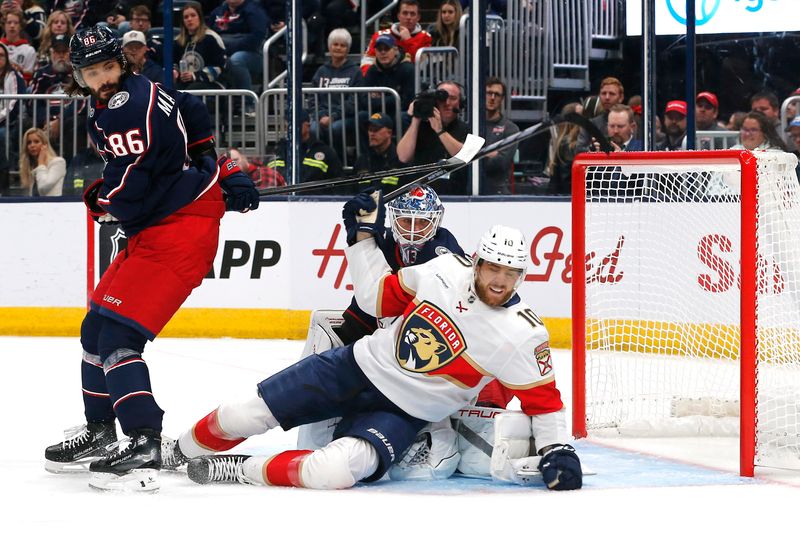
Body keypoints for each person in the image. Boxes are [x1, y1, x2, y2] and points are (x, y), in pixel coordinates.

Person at [164, 216, 581, 491]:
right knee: (243, 412)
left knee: (332, 471)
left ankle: (239, 469)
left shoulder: (522, 333)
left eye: (511, 273)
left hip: (404, 412)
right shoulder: (443, 269)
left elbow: (544, 404)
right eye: (493, 268)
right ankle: (175, 452)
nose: (500, 281)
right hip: (354, 367)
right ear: (477, 262)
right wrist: (362, 236)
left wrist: (558, 450)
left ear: (522, 275)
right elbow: (377, 298)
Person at [43, 25, 259, 492]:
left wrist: (98, 200)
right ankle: (101, 432)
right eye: (91, 70)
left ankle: (143, 440)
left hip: (179, 230)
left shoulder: (126, 109)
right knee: (95, 328)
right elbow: (193, 114)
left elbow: (130, 187)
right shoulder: (152, 91)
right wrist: (222, 168)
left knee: (119, 334)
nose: (101, 78)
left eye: (107, 67)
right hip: (161, 224)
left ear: (122, 62)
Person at [295, 185, 464, 450]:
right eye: (406, 220)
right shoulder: (381, 239)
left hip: (421, 354)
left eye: (420, 222)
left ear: (435, 221)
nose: (412, 229)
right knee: (324, 328)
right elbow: (366, 300)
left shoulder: (445, 250)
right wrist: (361, 232)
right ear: (393, 218)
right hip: (377, 337)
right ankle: (311, 435)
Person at [396, 80, 468, 194]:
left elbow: (464, 156)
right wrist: (416, 118)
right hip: (421, 196)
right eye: (442, 98)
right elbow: (403, 157)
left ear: (461, 103)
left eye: (453, 98)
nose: (447, 102)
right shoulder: (419, 127)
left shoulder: (466, 128)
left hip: (456, 197)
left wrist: (440, 131)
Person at [308, 28, 362, 159]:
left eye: (342, 45)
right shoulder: (321, 71)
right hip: (321, 116)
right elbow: (313, 98)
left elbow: (353, 101)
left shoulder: (356, 71)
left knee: (335, 128)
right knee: (314, 129)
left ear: (347, 49)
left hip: (345, 117)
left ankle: (338, 162)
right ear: (329, 47)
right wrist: (321, 115)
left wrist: (333, 116)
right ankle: (320, 162)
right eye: (335, 44)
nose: (338, 48)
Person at [267, 108, 343, 188]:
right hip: (280, 199)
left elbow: (339, 185)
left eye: (295, 124)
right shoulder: (276, 150)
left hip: (316, 199)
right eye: (287, 125)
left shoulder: (325, 152)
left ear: (307, 126)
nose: (290, 128)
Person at [207, 0, 267, 92]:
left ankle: (247, 102)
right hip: (221, 51)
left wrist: (226, 49)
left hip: (252, 54)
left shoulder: (254, 10)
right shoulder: (217, 12)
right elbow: (207, 34)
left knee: (236, 59)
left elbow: (256, 38)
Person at [360, 0, 432, 76]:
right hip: (382, 80)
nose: (408, 17)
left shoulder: (425, 37)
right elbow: (366, 63)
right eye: (405, 13)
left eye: (412, 14)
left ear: (418, 17)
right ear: (398, 16)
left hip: (410, 80)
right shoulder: (380, 35)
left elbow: (421, 66)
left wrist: (408, 41)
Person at [361, 34, 415, 127]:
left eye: (386, 49)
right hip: (378, 113)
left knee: (402, 117)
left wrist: (379, 99)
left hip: (399, 112)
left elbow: (406, 101)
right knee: (361, 116)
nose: (383, 52)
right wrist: (393, 98)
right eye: (379, 49)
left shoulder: (408, 68)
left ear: (395, 50)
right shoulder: (372, 70)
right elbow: (364, 100)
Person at [174, 2, 226, 90]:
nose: (189, 19)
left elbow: (219, 67)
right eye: (186, 17)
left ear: (200, 18)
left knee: (192, 90)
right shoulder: (178, 41)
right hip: (187, 83)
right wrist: (175, 72)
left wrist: (195, 76)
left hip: (213, 84)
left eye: (193, 15)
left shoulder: (211, 38)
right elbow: (173, 62)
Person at [482, 76, 519, 195]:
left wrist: (475, 153)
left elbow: (501, 163)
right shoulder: (472, 125)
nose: (492, 98)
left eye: (497, 94)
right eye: (489, 93)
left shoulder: (511, 128)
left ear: (502, 99)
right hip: (470, 190)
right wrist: (491, 152)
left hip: (499, 194)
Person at [352, 112, 402, 192]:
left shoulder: (400, 159)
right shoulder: (362, 160)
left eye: (376, 129)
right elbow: (351, 192)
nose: (371, 133)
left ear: (389, 133)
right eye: (369, 130)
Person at [576, 77, 625, 153]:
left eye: (612, 94)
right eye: (603, 93)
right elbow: (579, 150)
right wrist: (592, 149)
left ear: (621, 97)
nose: (607, 97)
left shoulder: (631, 122)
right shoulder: (590, 124)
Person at [546, 101, 581, 195]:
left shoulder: (559, 142)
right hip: (568, 197)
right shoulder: (569, 145)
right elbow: (569, 179)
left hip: (561, 195)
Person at [18, 127, 66, 196]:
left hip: (53, 206)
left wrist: (41, 163)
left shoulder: (58, 162)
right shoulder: (31, 167)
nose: (32, 145)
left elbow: (43, 187)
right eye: (29, 143)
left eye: (36, 141)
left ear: (45, 145)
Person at [2, 8, 36, 83]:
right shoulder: (1, 47)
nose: (12, 26)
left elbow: (28, 78)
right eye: (9, 22)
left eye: (16, 23)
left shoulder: (29, 50)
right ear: (4, 25)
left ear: (21, 26)